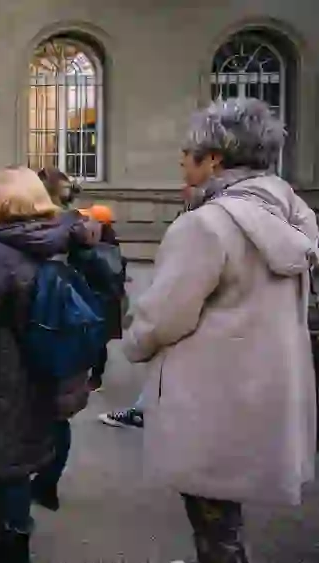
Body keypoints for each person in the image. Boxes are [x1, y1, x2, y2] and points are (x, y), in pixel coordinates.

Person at [123, 97, 317, 563]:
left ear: (214, 159)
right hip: (268, 390)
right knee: (224, 523)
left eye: (188, 154)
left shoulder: (206, 226)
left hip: (209, 398)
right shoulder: (295, 216)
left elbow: (165, 315)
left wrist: (134, 339)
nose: (181, 163)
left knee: (213, 524)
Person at [0, 166, 95, 563]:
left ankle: (10, 545)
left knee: (7, 458)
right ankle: (6, 536)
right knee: (22, 450)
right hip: (50, 363)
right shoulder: (64, 239)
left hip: (6, 369)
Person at [75, 204, 127, 392]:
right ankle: (94, 377)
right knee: (98, 341)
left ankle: (94, 378)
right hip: (106, 303)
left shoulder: (94, 253)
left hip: (98, 302)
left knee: (95, 342)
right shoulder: (111, 248)